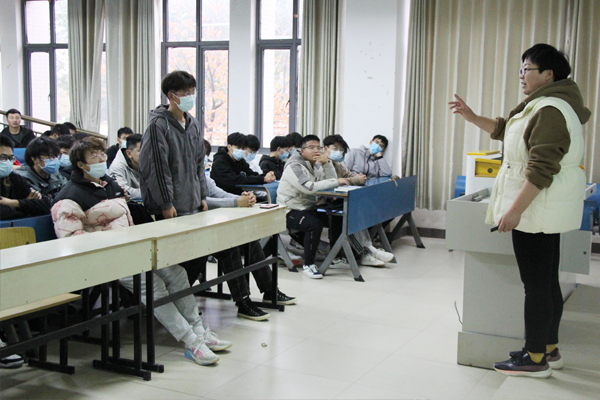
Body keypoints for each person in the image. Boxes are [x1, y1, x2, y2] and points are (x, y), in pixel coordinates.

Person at [449, 44, 590, 378]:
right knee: (546, 281)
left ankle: (535, 358)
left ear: (548, 74)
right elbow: (506, 130)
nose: (521, 75)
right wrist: (472, 117)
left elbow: (541, 168)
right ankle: (548, 349)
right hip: (544, 210)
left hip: (535, 210)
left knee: (536, 285)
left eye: (527, 69)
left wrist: (514, 211)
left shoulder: (550, 109)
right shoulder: (547, 104)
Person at [138, 71, 232, 364]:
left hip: (192, 202)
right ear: (171, 96)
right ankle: (183, 327)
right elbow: (157, 167)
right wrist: (165, 203)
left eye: (193, 90)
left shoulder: (191, 123)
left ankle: (196, 327)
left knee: (190, 262)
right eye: (186, 91)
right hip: (170, 207)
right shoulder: (158, 125)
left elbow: (198, 163)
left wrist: (202, 194)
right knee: (173, 264)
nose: (191, 95)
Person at [193, 140, 296, 320]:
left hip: (210, 224)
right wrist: (235, 202)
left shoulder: (202, 175)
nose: (202, 160)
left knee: (249, 240)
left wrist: (242, 198)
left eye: (204, 156)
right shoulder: (184, 177)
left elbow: (217, 193)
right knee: (230, 247)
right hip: (193, 230)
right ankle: (243, 301)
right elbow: (201, 202)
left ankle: (270, 290)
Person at [277, 135, 350, 278]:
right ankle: (309, 265)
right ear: (302, 151)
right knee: (314, 224)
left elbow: (330, 182)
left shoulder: (314, 165)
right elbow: (309, 187)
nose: (316, 150)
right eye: (311, 147)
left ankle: (335, 256)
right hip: (289, 210)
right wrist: (337, 181)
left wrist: (327, 163)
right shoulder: (294, 166)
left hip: (308, 208)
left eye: (318, 147)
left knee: (337, 217)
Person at [322, 135, 394, 266]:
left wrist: (357, 178)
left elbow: (347, 175)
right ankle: (366, 251)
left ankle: (368, 249)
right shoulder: (322, 163)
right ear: (326, 148)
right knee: (352, 213)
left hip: (341, 199)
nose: (339, 152)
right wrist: (353, 180)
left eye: (341, 149)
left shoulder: (338, 163)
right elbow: (332, 182)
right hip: (325, 201)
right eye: (335, 148)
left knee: (360, 208)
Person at [0, 135, 50, 220]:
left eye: (10, 158)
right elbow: (3, 213)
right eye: (3, 157)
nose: (8, 161)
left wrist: (15, 203)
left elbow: (46, 204)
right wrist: (27, 203)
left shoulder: (13, 177)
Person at [210, 132, 276, 196]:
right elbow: (234, 180)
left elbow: (250, 173)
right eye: (239, 147)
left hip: (238, 195)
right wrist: (262, 179)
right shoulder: (220, 162)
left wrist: (266, 177)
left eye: (244, 148)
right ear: (229, 147)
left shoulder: (239, 160)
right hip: (222, 196)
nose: (241, 150)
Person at [108, 133, 142, 201]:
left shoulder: (148, 162)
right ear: (129, 153)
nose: (147, 154)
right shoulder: (117, 167)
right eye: (141, 150)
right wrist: (150, 193)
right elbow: (123, 191)